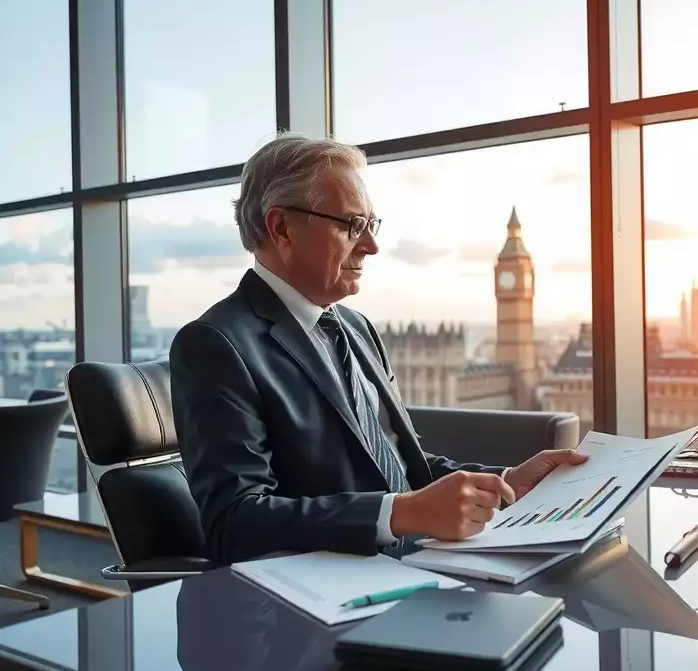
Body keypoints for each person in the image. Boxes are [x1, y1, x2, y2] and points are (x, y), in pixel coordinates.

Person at [170, 133, 586, 564]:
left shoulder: (354, 327)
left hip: (419, 563)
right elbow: (233, 523)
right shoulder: (215, 345)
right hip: (324, 603)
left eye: (372, 225)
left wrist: (505, 482)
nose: (371, 245)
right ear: (281, 228)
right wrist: (401, 514)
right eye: (352, 225)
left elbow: (395, 462)